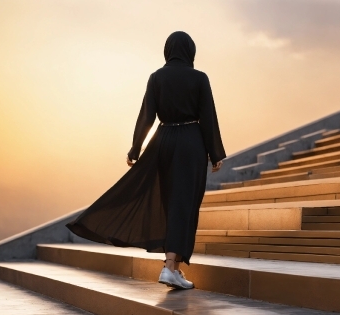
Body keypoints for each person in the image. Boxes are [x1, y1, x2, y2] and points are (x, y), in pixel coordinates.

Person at [66, 31, 226, 290]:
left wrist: (135, 148)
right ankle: (170, 267)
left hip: (163, 140)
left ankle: (172, 267)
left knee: (169, 201)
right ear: (190, 51)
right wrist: (216, 152)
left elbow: (147, 117)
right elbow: (208, 117)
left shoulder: (156, 77)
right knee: (183, 204)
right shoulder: (199, 78)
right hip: (190, 143)